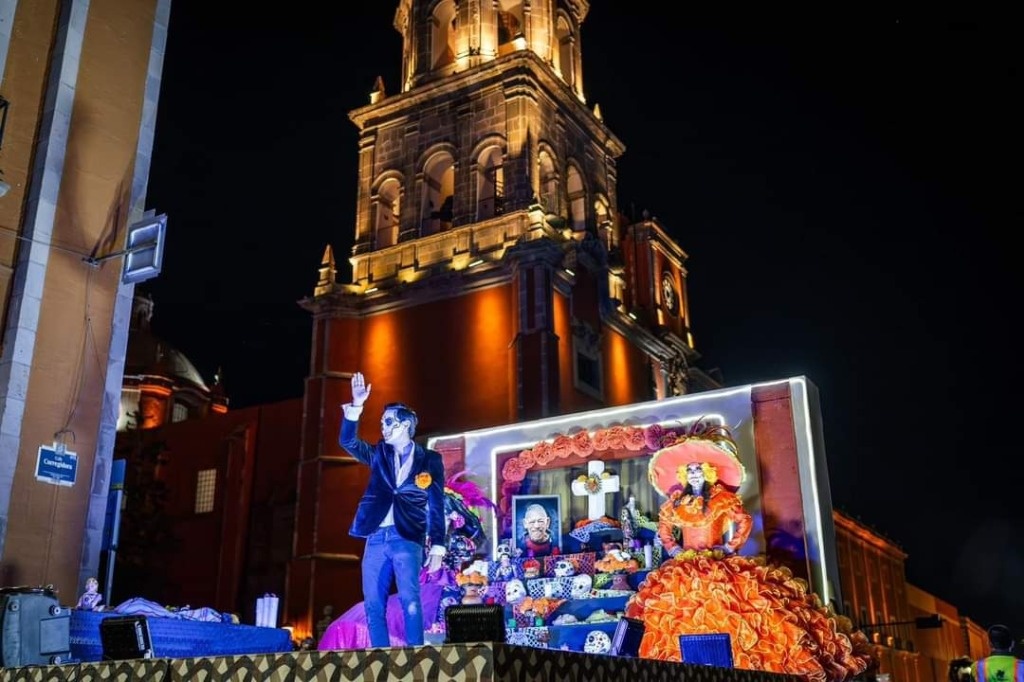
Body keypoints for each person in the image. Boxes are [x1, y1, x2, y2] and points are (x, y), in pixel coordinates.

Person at [625, 421, 873, 682]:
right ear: (685, 476)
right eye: (690, 470)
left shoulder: (721, 499)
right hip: (684, 567)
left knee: (737, 611)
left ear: (707, 472)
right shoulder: (676, 503)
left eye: (698, 469)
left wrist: (729, 546)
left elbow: (743, 520)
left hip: (717, 562)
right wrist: (673, 547)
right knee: (673, 618)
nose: (694, 473)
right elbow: (665, 528)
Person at [339, 372, 446, 648]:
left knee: (411, 600)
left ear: (406, 425)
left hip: (407, 537)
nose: (383, 428)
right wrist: (357, 406)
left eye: (388, 422)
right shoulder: (378, 454)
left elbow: (436, 504)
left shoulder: (430, 460)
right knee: (373, 604)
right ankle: (380, 659)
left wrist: (437, 547)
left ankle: (414, 657)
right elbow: (348, 442)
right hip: (375, 538)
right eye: (381, 423)